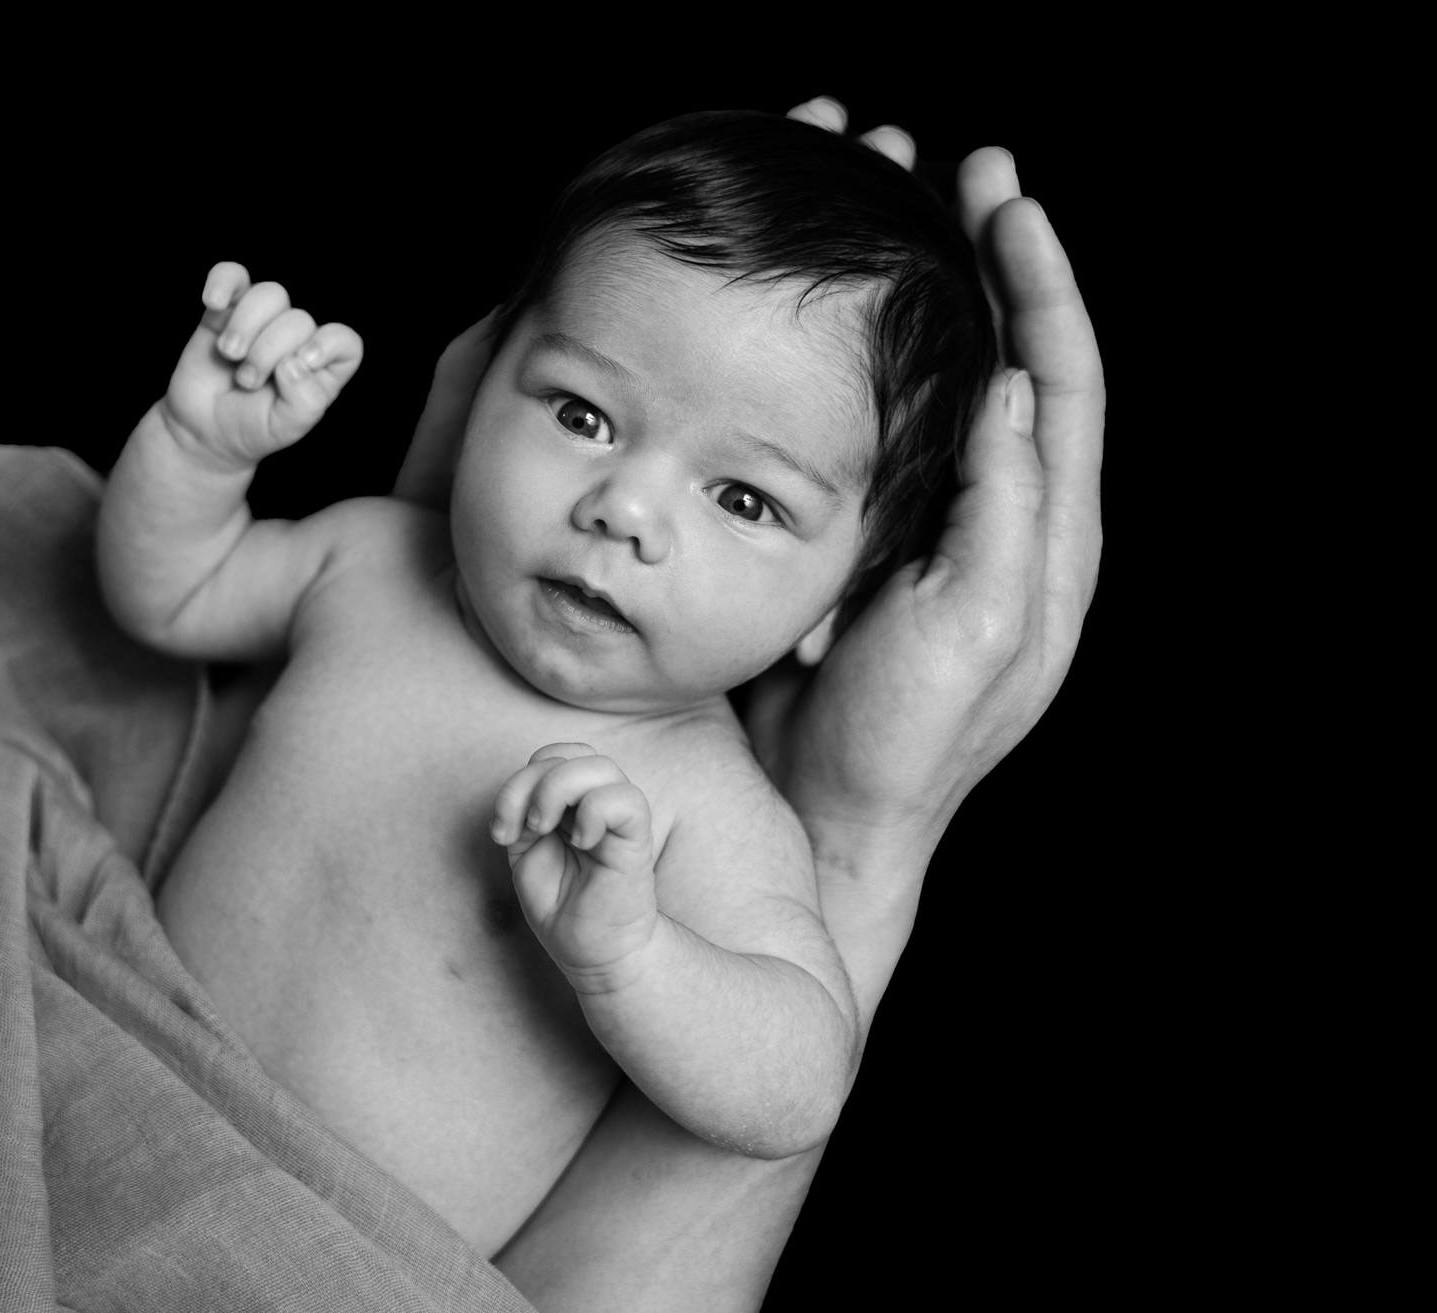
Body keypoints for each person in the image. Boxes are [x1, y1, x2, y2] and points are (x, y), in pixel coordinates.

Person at [133, 95, 1099, 1310]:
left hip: (307, 1266)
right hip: (97, 1068)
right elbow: (168, 597)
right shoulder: (371, 564)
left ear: (834, 614)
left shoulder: (699, 804)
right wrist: (199, 449)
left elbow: (795, 1078)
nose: (624, 506)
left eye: (743, 499)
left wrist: (635, 954)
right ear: (485, 375)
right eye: (582, 414)